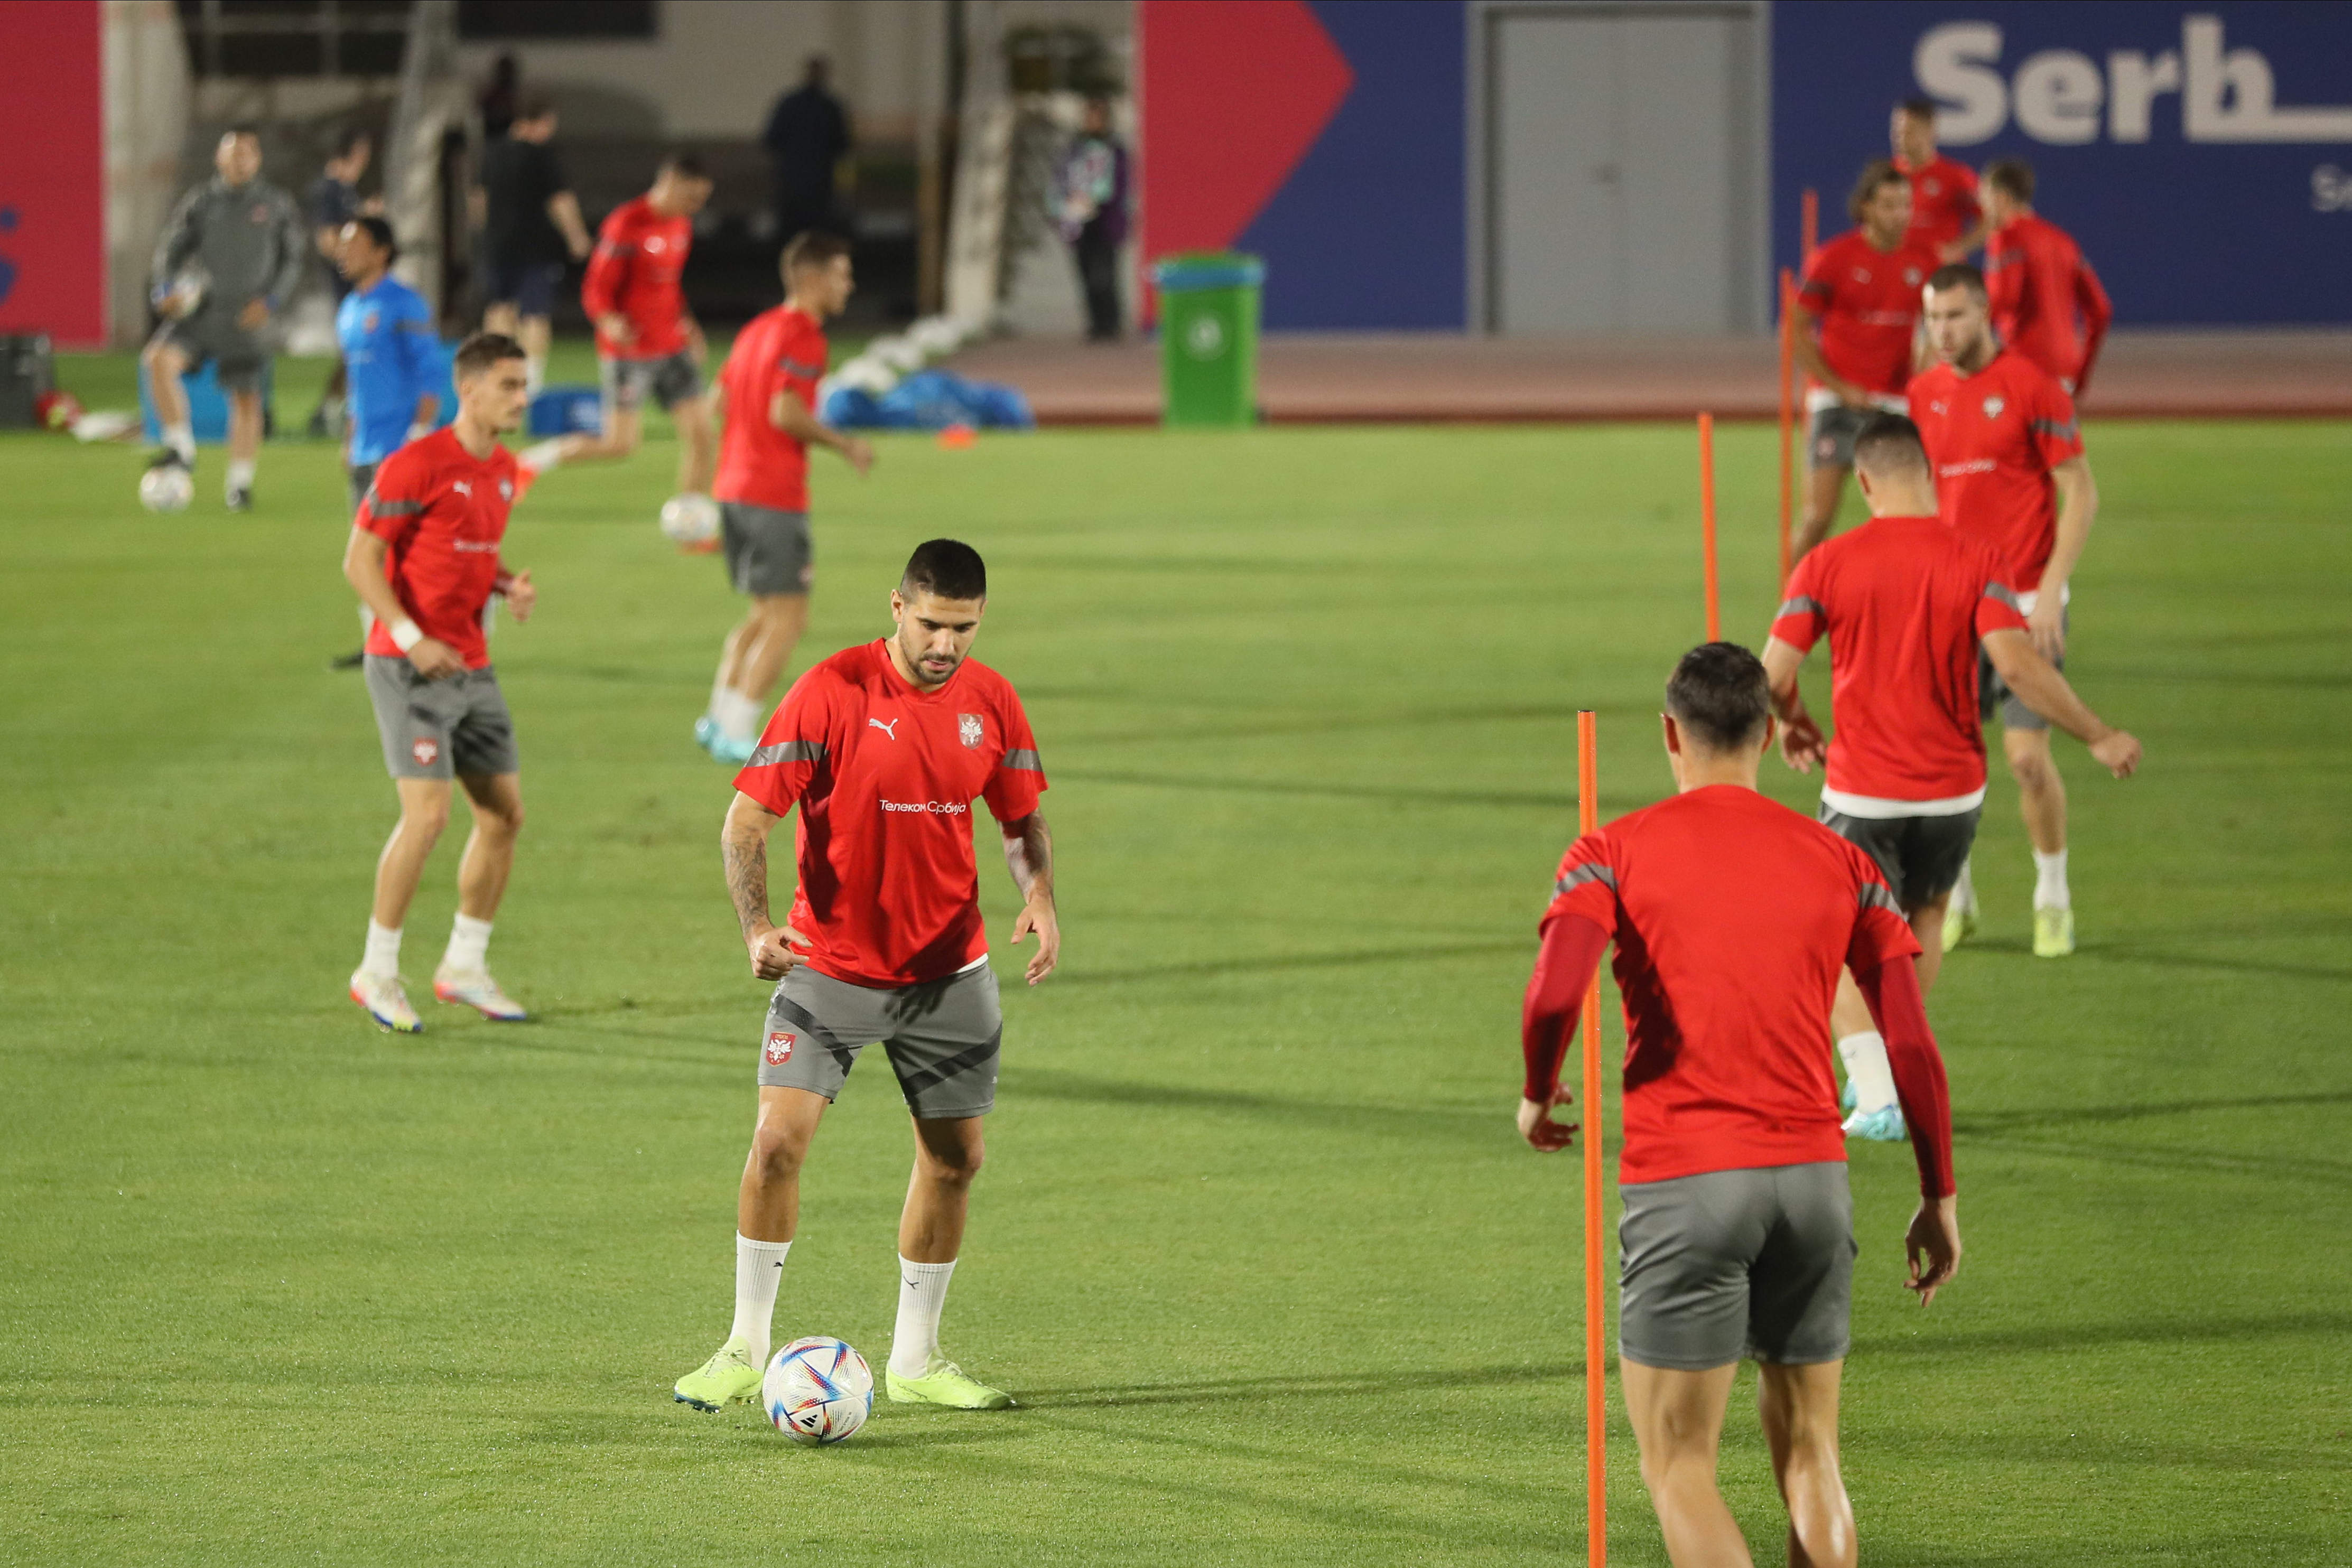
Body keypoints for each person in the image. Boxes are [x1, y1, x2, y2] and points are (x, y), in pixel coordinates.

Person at [1518, 642, 1960, 1568]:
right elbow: (1911, 1045)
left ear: (1669, 733)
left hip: (1687, 1182)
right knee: (1811, 1450)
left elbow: (1554, 995)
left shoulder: (1610, 851)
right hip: (1813, 1184)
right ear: (1765, 735)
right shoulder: (1843, 861)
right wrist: (1937, 1193)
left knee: (1678, 1464)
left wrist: (1537, 1088)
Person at [672, 539, 1059, 1417]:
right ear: (896, 607)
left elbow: (1020, 817)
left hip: (949, 974)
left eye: (963, 628)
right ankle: (743, 1346)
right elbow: (745, 822)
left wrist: (1037, 893)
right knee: (776, 1143)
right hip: (830, 970)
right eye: (931, 624)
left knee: (955, 1161)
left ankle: (916, 1359)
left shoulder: (991, 701)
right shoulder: (831, 691)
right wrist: (757, 927)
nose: (945, 644)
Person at [1763, 414, 2142, 1138]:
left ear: (1863, 482)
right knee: (1924, 917)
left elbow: (1773, 674)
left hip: (1862, 789)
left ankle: (1876, 1091)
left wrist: (1793, 720)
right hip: (1952, 790)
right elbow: (2015, 667)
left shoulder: (1826, 563)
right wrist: (2096, 734)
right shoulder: (1979, 559)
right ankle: (1888, 1072)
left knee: (1829, 941)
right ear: (1928, 474)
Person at [340, 334, 538, 1034]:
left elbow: (466, 551)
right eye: (509, 385)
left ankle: (464, 965)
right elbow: (360, 560)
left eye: (524, 385)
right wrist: (410, 637)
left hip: (470, 664)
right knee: (427, 816)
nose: (522, 398)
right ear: (470, 389)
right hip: (408, 667)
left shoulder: (505, 470)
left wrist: (506, 583)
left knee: (504, 816)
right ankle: (376, 971)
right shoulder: (415, 465)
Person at [1909, 265, 2100, 958]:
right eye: (1933, 318)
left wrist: (2050, 588)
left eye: (1954, 317)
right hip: (1947, 607)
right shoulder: (1921, 394)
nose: (1942, 331)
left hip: (2022, 606)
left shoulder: (2033, 388)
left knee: (2024, 760)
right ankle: (1956, 899)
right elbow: (1920, 499)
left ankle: (2052, 899)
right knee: (1944, 765)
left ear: (1984, 313)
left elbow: (2080, 491)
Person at [695, 231, 875, 766]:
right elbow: (785, 412)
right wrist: (844, 444)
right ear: (813, 278)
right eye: (841, 275)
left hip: (734, 488)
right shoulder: (803, 336)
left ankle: (717, 718)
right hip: (773, 493)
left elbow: (717, 401)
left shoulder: (756, 330)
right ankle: (739, 731)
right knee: (789, 619)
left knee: (761, 612)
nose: (849, 285)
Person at [519, 155, 717, 502]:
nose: (696, 206)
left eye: (701, 199)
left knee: (703, 435)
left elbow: (669, 285)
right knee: (619, 445)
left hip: (671, 346)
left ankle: (691, 517)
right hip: (630, 351)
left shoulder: (681, 225)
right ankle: (530, 462)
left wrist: (688, 325)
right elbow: (596, 288)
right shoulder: (627, 223)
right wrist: (608, 321)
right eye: (691, 197)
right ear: (668, 183)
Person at [143, 126, 306, 511]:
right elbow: (171, 248)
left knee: (246, 400)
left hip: (249, 318)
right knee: (158, 360)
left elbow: (292, 259)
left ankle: (239, 485)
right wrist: (165, 290)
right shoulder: (202, 202)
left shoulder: (275, 204)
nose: (239, 161)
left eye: (246, 154)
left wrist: (271, 301)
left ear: (258, 159)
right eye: (233, 154)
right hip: (203, 311)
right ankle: (181, 447)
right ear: (219, 158)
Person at [1789, 162, 1943, 563]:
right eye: (1889, 205)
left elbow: (1936, 325)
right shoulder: (1834, 258)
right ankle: (1791, 601)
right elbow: (1795, 328)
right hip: (1836, 405)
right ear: (1866, 208)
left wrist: (1927, 366)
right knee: (1817, 519)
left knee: (1916, 518)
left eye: (1906, 205)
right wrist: (1839, 388)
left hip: (1896, 404)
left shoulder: (1925, 260)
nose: (1900, 215)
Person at [329, 217, 443, 670]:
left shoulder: (404, 303)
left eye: (354, 244)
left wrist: (419, 435)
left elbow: (431, 374)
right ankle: (376, 646)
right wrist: (350, 438)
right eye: (343, 245)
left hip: (399, 447)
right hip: (365, 448)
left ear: (382, 252)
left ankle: (422, 640)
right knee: (366, 555)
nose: (343, 253)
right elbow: (358, 383)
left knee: (406, 554)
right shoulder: (349, 309)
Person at [476, 98, 591, 397]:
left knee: (499, 310)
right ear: (543, 122)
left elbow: (479, 201)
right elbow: (560, 200)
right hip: (535, 248)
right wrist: (577, 237)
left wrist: (487, 233)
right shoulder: (542, 156)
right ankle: (531, 382)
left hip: (498, 246)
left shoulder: (492, 152)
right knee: (535, 314)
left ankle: (496, 378)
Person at [1982, 160, 2113, 397]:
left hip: (2022, 364)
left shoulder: (2006, 237)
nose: (1982, 207)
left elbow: (2002, 300)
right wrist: (2081, 373)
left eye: (1985, 197)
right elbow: (2101, 310)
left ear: (2000, 197)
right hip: (2066, 367)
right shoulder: (2064, 241)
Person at [305, 127, 377, 437]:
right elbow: (327, 240)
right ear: (357, 152)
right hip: (345, 283)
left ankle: (332, 409)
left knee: (358, 348)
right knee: (358, 347)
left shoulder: (347, 190)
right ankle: (336, 411)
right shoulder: (330, 190)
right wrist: (355, 262)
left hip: (357, 283)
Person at [1054, 98, 1129, 342]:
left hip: (1105, 222)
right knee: (1085, 274)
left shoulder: (1114, 149)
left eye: (1097, 118)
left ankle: (1111, 323)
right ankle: (1096, 324)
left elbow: (1120, 185)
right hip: (1079, 221)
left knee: (1105, 275)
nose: (1092, 122)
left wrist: (1097, 201)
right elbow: (1062, 178)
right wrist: (1067, 204)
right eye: (1089, 117)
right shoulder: (1075, 149)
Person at [762, 57, 852, 246]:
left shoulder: (791, 104)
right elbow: (843, 145)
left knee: (791, 238)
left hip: (793, 183)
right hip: (819, 185)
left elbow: (771, 140)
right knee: (817, 238)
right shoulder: (830, 107)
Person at [1891, 97, 1985, 262]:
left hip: (1940, 272)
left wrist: (1960, 247)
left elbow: (1990, 217)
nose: (1901, 139)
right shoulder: (1887, 175)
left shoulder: (1956, 176)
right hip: (1896, 268)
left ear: (1930, 131)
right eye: (1897, 132)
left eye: (1909, 132)